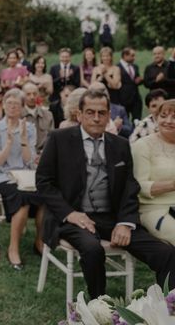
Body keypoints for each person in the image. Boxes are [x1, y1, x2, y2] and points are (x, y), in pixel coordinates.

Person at [36, 89, 175, 299]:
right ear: (79, 114)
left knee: (165, 253)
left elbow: (130, 187)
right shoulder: (59, 139)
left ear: (109, 114)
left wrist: (126, 222)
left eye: (102, 112)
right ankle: (98, 306)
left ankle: (168, 308)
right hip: (72, 217)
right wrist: (70, 214)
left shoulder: (119, 145)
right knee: (93, 249)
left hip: (111, 218)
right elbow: (43, 182)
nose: (96, 117)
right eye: (90, 112)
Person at [0, 88, 42, 270]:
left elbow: (30, 161)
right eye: (9, 103)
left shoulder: (30, 128)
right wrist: (9, 143)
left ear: (22, 107)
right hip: (1, 175)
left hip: (25, 175)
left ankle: (39, 241)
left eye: (16, 104)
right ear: (3, 106)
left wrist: (24, 140)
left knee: (46, 195)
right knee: (22, 198)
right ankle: (13, 248)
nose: (12, 107)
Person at [132, 100, 175, 245]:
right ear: (156, 119)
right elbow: (138, 186)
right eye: (163, 116)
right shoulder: (143, 146)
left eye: (174, 117)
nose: (168, 121)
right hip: (155, 210)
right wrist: (172, 185)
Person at [21, 83, 54, 154]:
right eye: (28, 94)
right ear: (23, 96)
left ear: (38, 95)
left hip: (44, 155)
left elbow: (51, 138)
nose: (32, 97)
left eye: (34, 94)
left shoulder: (48, 115)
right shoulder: (18, 115)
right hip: (24, 155)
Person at [118, 47, 143, 122]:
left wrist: (140, 80)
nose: (134, 58)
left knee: (137, 121)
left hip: (136, 99)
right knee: (125, 124)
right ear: (125, 55)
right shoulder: (117, 67)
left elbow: (135, 80)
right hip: (123, 100)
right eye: (132, 55)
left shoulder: (135, 67)